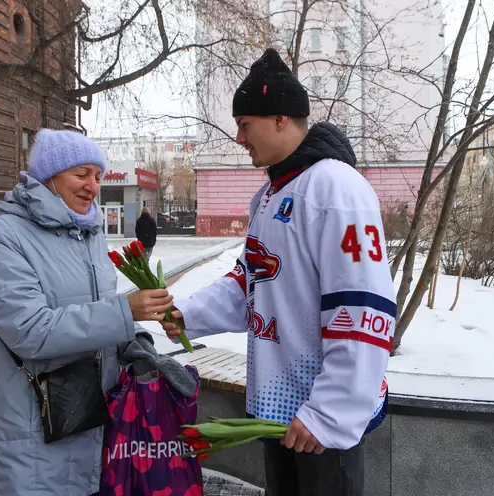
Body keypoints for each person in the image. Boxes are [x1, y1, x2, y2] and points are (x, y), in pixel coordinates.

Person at [160, 48, 394, 496]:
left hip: (321, 419)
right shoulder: (268, 195)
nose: (238, 137)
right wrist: (185, 314)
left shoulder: (335, 187)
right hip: (276, 406)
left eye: (245, 125)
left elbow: (363, 307)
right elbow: (249, 283)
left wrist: (330, 412)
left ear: (281, 119)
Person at [0, 129, 174, 496]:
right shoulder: (2, 237)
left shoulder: (90, 235)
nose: (93, 186)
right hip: (32, 434)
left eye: (97, 177)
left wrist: (136, 341)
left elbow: (94, 318)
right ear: (49, 176)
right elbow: (31, 331)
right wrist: (125, 313)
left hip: (93, 427)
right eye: (81, 174)